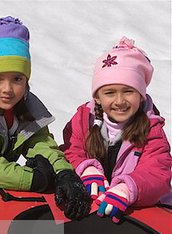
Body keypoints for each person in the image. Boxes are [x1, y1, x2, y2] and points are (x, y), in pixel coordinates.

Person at [0, 16, 91, 220]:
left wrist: (64, 174)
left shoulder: (25, 105)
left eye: (17, 79)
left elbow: (41, 143)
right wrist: (35, 180)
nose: (7, 89)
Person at [61, 37, 171, 223]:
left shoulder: (150, 128)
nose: (120, 101)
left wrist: (128, 188)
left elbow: (157, 172)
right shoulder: (83, 120)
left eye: (128, 91)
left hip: (139, 211)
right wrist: (86, 170)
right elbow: (70, 150)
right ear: (97, 97)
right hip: (94, 207)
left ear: (141, 95)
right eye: (110, 92)